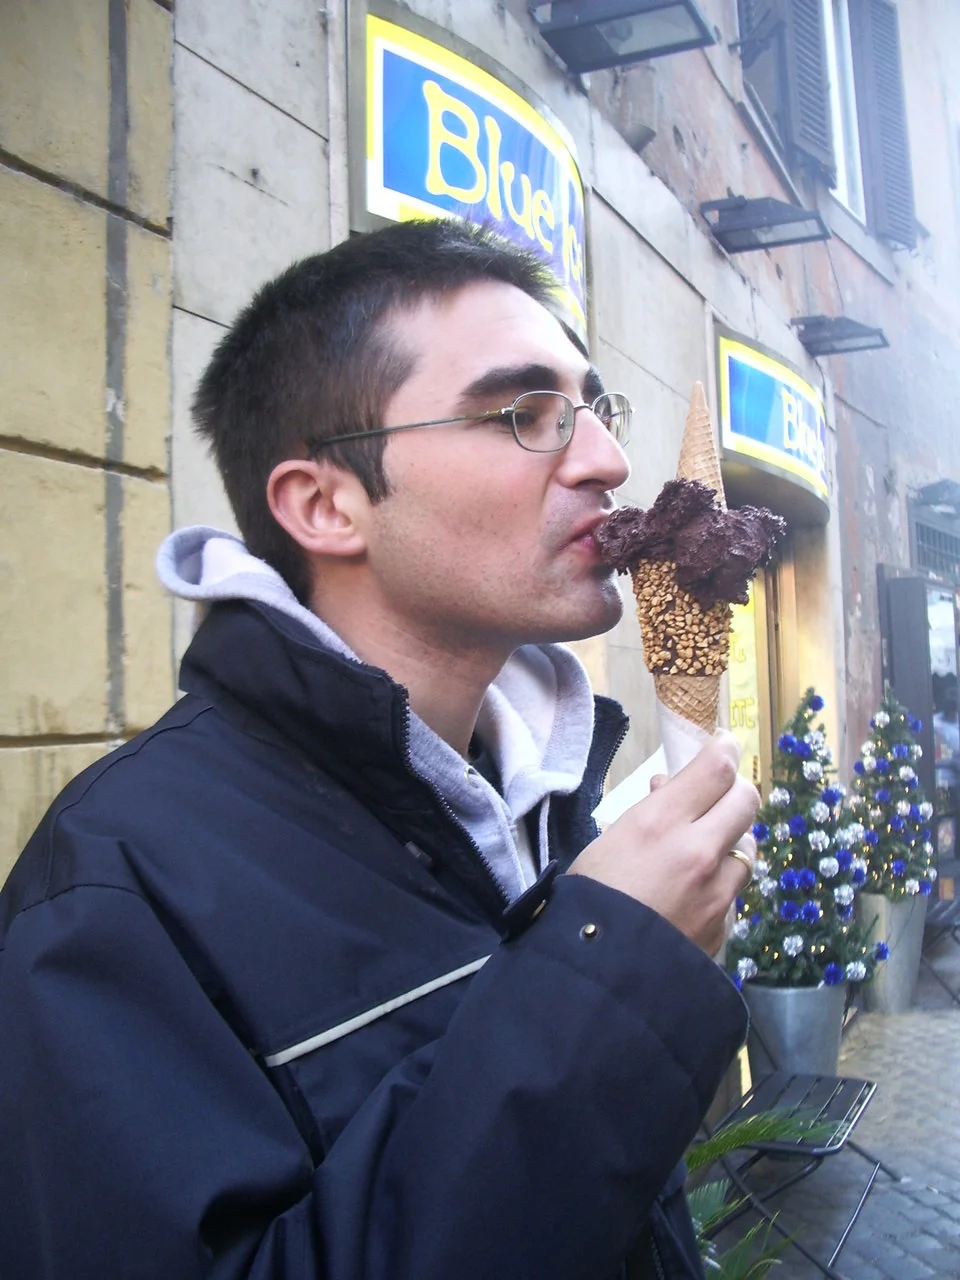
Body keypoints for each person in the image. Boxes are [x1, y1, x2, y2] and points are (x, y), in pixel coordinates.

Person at [0, 219, 758, 1279]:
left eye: (594, 407)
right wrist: (607, 979)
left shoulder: (546, 799)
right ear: (324, 504)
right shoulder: (112, 883)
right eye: (524, 413)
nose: (608, 459)